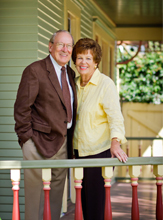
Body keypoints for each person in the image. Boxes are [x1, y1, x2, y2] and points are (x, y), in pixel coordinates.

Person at [14, 30, 77, 220]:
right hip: (37, 143)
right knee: (35, 200)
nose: (65, 50)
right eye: (60, 44)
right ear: (50, 46)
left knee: (56, 200)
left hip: (63, 143)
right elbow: (22, 108)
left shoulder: (71, 74)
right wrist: (27, 140)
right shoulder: (35, 70)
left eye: (69, 46)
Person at [71, 38, 128, 220]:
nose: (83, 62)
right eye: (80, 58)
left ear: (96, 62)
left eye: (88, 58)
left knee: (96, 206)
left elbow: (115, 117)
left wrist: (116, 142)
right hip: (78, 154)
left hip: (99, 153)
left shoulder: (105, 84)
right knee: (83, 205)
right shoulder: (74, 84)